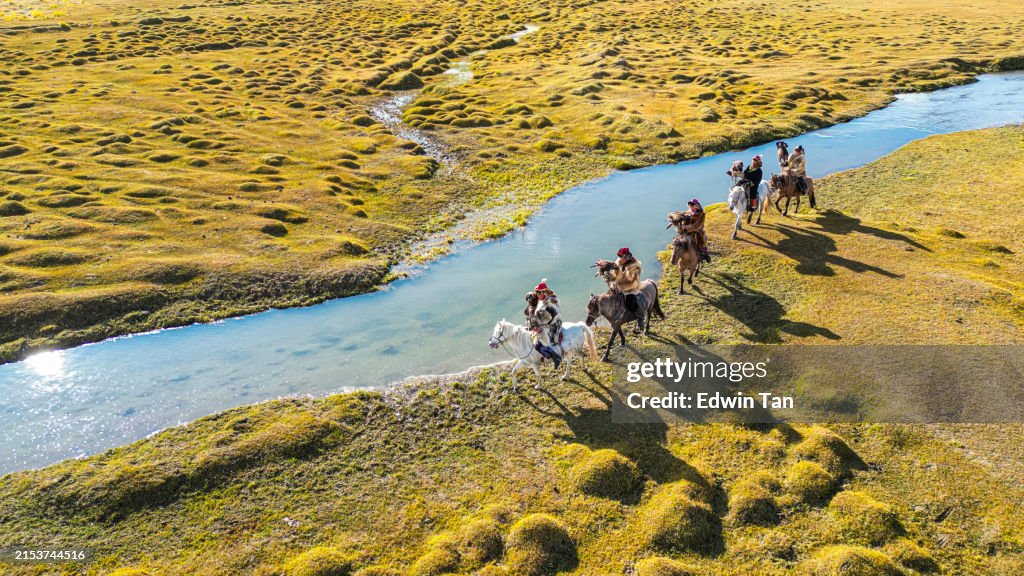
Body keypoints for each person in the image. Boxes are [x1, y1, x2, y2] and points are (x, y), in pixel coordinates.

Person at [524, 279, 563, 368]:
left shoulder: (547, 303)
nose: (537, 295)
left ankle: (555, 357)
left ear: (543, 293)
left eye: (538, 293)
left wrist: (534, 326)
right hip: (553, 322)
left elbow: (545, 318)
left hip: (552, 326)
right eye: (536, 293)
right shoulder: (548, 299)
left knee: (537, 344)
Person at [614, 247, 644, 331]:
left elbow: (631, 280)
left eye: (622, 257)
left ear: (627, 257)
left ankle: (640, 318)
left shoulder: (635, 267)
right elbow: (614, 275)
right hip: (620, 286)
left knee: (630, 303)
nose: (620, 259)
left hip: (631, 287)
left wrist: (620, 282)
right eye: (620, 256)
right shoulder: (619, 262)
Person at [678, 198, 710, 263]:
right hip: (687, 231)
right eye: (690, 205)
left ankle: (705, 255)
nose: (691, 207)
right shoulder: (689, 212)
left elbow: (697, 225)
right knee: (678, 242)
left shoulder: (701, 214)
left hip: (697, 231)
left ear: (696, 206)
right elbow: (684, 218)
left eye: (692, 205)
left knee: (701, 244)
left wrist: (685, 227)